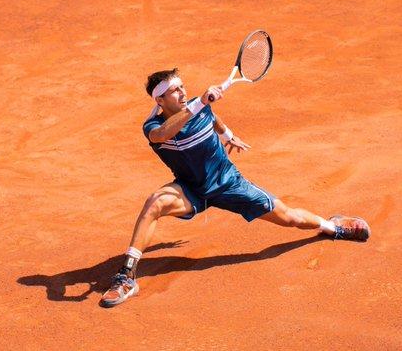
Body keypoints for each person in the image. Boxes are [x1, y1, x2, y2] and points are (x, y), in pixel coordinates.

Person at [100, 68, 370, 308]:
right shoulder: (154, 125)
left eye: (183, 86)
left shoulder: (200, 107)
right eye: (174, 90)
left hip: (228, 182)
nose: (183, 92)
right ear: (160, 100)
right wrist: (198, 104)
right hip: (191, 189)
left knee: (290, 218)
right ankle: (127, 276)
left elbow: (213, 118)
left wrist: (229, 135)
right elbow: (162, 135)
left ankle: (332, 226)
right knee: (155, 202)